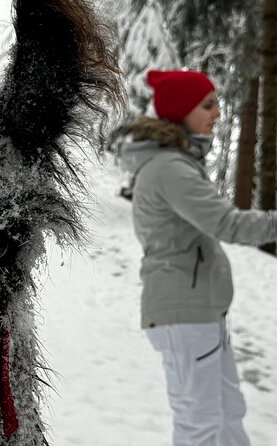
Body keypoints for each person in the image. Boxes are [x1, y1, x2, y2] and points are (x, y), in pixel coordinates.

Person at [120, 69, 277, 446]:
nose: (218, 113)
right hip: (184, 313)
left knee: (227, 411)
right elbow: (227, 223)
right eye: (208, 105)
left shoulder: (177, 162)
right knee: (201, 422)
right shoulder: (170, 168)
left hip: (200, 312)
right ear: (180, 111)